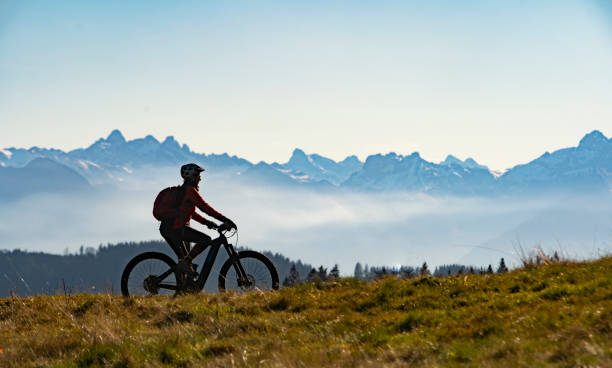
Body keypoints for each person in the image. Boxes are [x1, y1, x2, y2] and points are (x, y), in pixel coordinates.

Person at [159, 163, 237, 276]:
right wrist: (225, 219)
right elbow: (206, 208)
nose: (200, 178)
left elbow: (190, 212)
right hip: (177, 229)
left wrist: (206, 222)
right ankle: (185, 265)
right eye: (198, 175)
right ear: (193, 176)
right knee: (205, 240)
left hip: (168, 229)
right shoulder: (190, 191)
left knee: (185, 264)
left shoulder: (183, 191)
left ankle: (184, 287)